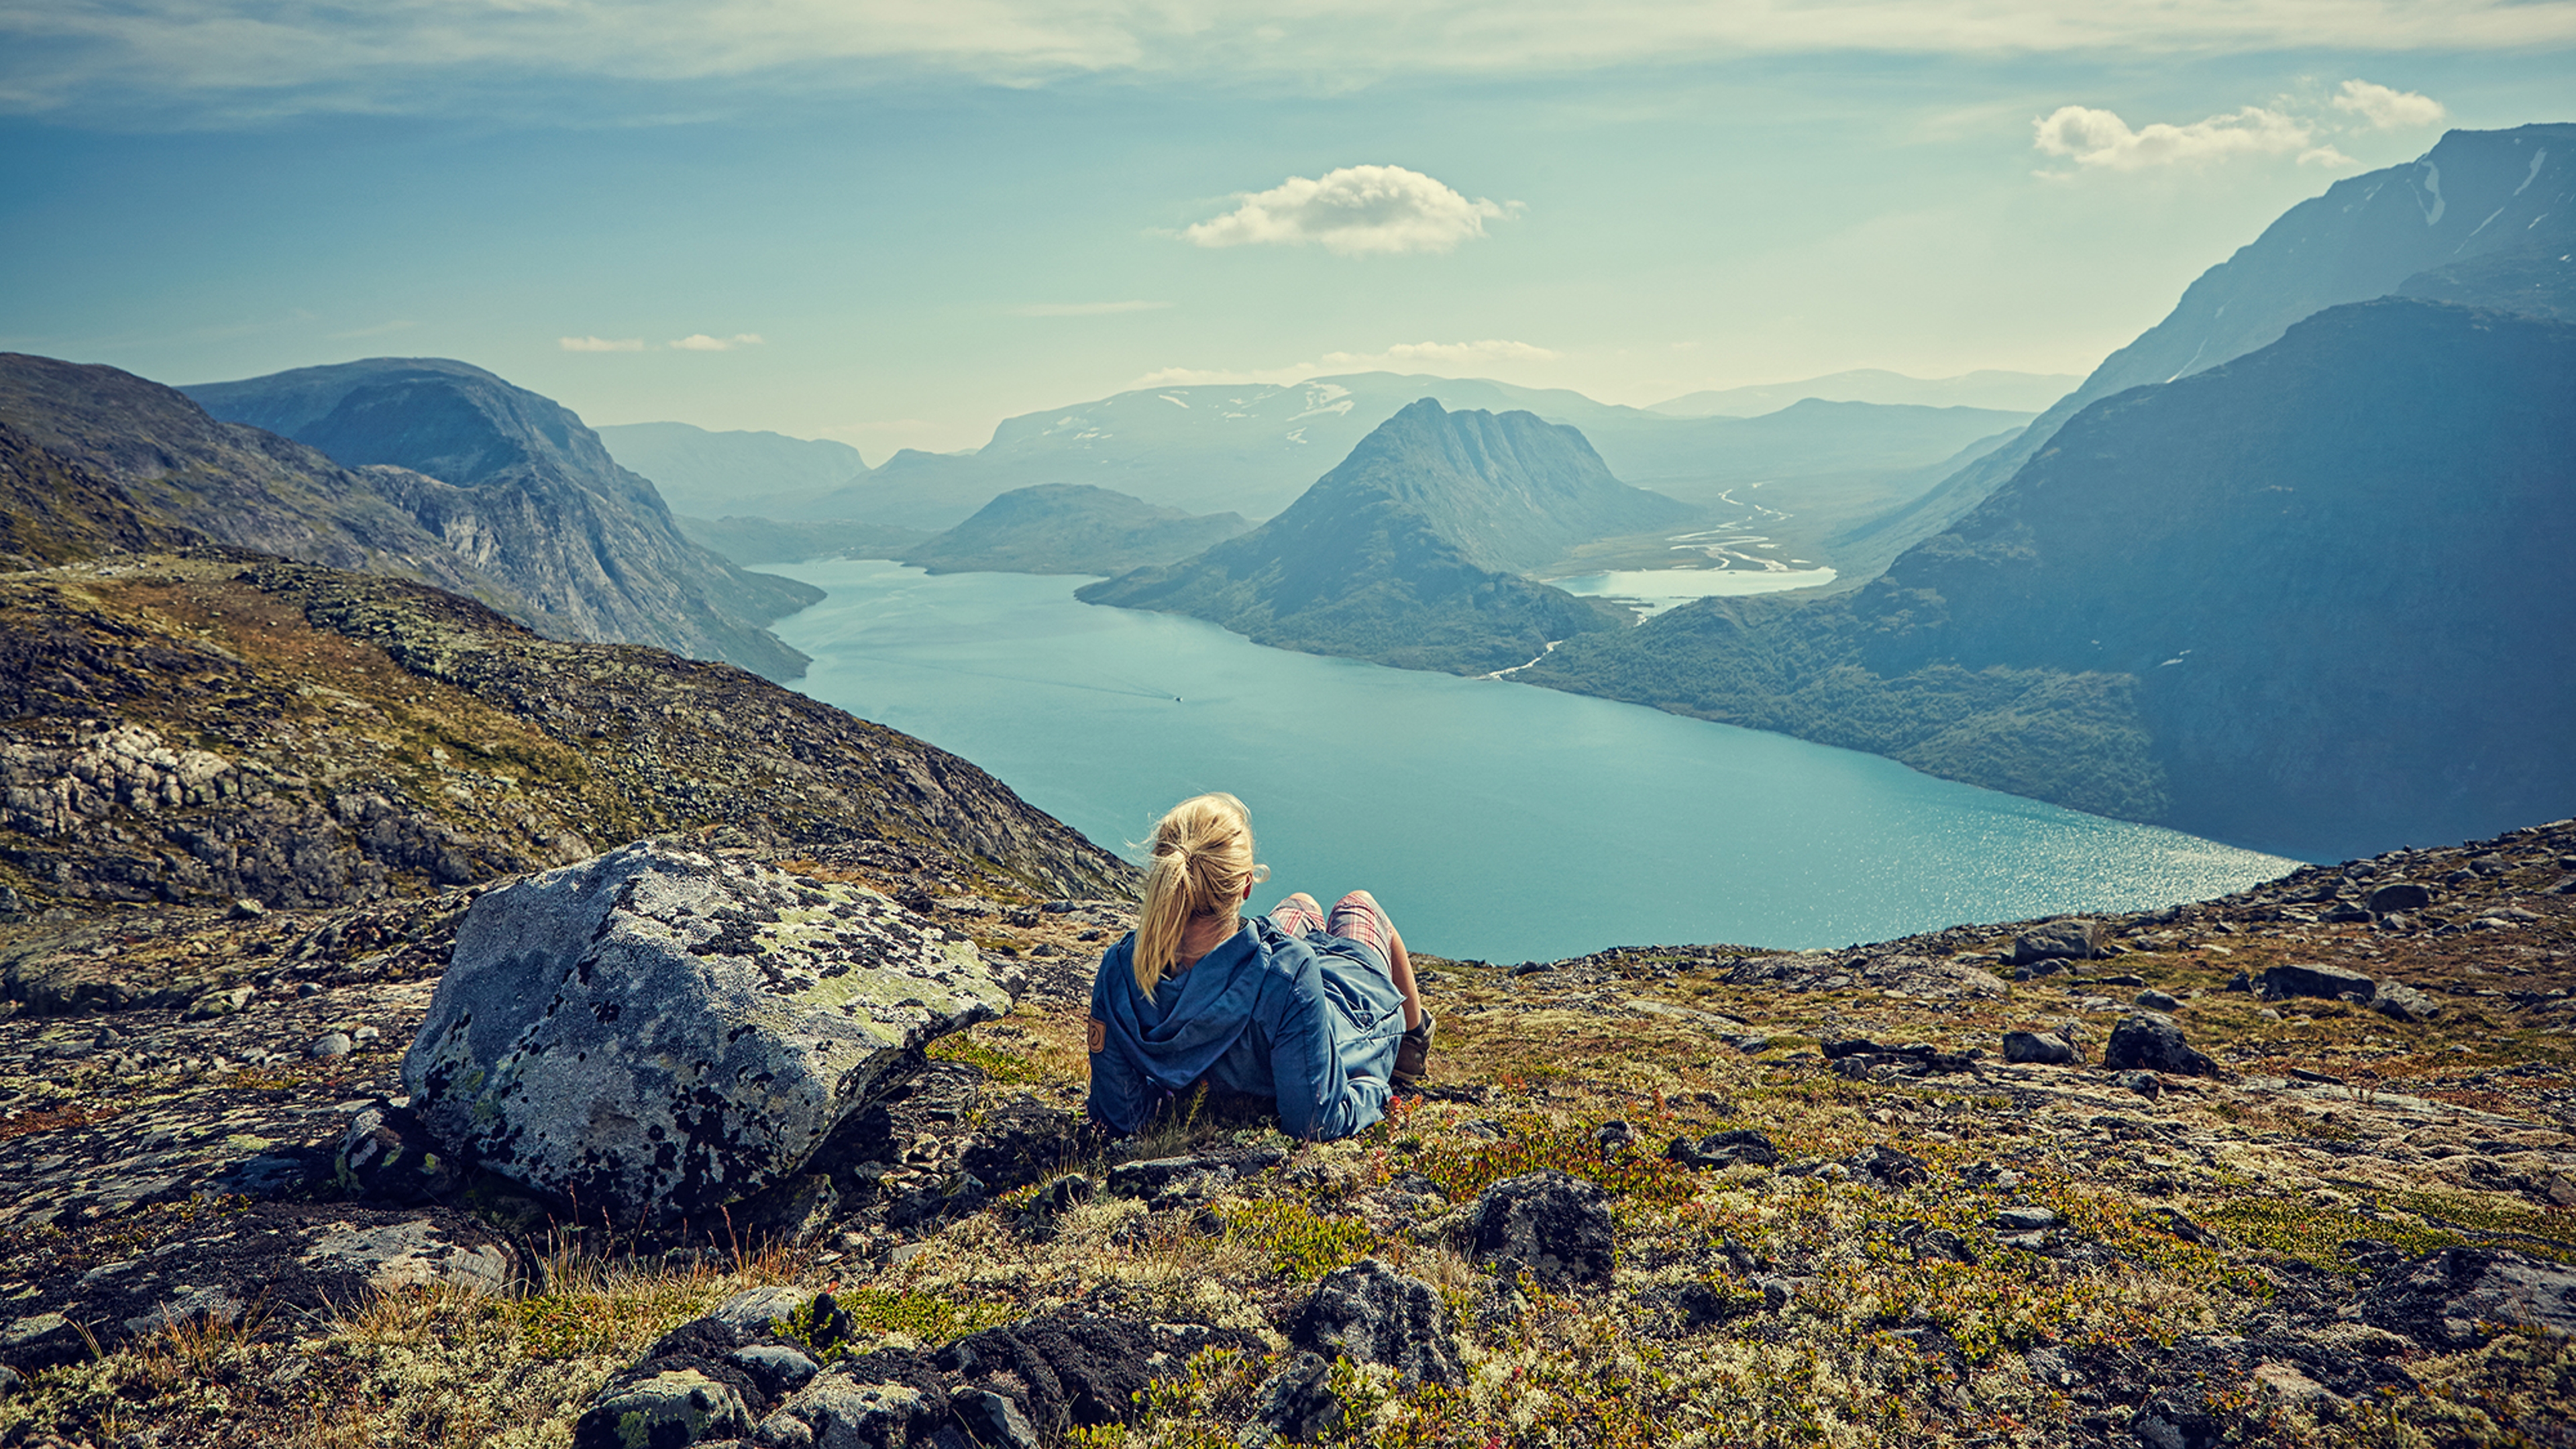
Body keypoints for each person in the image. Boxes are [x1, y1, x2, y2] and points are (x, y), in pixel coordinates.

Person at [1085, 792, 1434, 1140]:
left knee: (1301, 904)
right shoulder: (1287, 975)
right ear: (1246, 886)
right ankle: (1412, 1044)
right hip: (1338, 1023)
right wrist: (1377, 1092)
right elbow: (1315, 1120)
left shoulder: (1119, 967)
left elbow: (1121, 1115)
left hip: (1266, 982)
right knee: (1358, 903)